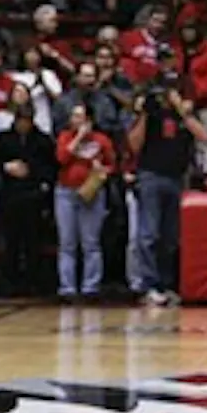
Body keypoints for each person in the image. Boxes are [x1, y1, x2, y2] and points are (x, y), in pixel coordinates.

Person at [127, 73, 207, 306]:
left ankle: (167, 283)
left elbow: (203, 136)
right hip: (151, 175)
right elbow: (134, 145)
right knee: (149, 234)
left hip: (176, 178)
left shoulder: (183, 115)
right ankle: (149, 285)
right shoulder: (151, 113)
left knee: (171, 237)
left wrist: (181, 110)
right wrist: (143, 113)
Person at [0, 102, 56, 294]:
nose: (24, 124)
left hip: (33, 197)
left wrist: (31, 172)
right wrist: (6, 168)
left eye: (27, 120)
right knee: (11, 242)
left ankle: (32, 282)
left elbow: (49, 169)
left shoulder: (43, 141)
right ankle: (11, 282)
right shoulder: (3, 139)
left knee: (32, 243)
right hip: (10, 197)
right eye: (21, 120)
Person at [54, 101, 115, 301]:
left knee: (91, 242)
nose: (76, 120)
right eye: (74, 116)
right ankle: (67, 287)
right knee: (67, 243)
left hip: (92, 193)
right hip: (66, 192)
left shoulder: (101, 141)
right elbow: (61, 158)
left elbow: (112, 164)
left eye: (80, 116)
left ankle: (91, 286)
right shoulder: (65, 137)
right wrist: (78, 137)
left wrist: (103, 170)